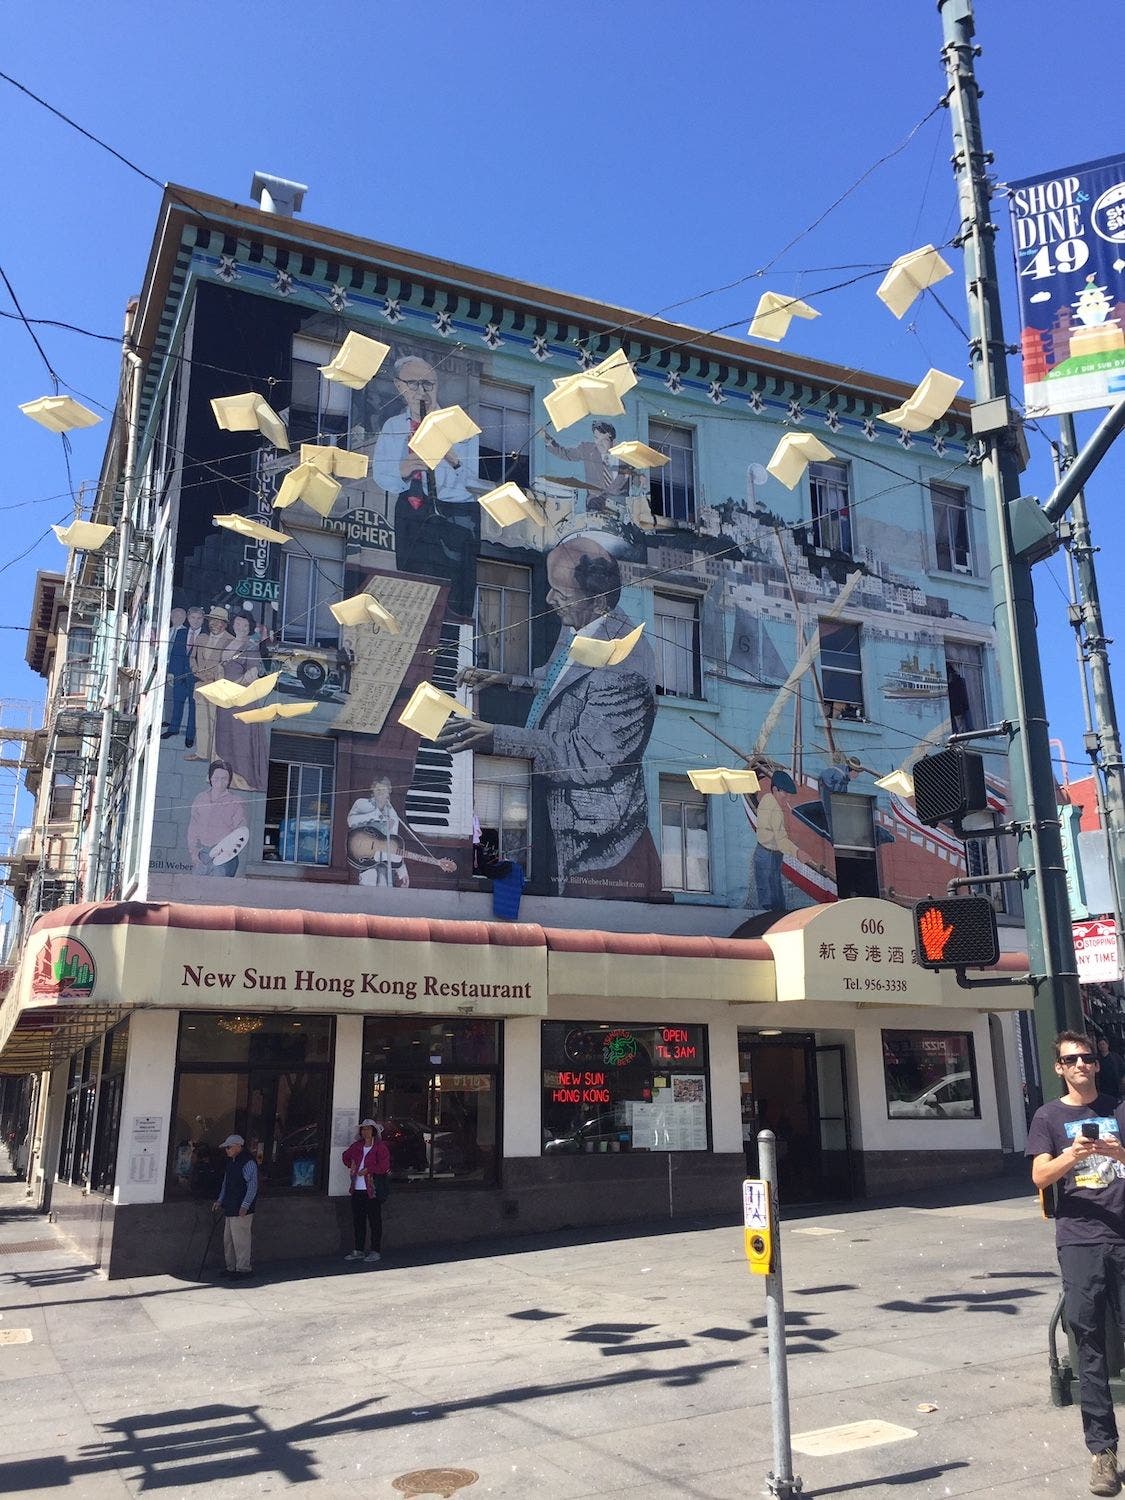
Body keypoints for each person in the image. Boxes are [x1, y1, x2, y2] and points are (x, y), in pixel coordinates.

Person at [440, 536, 660, 896]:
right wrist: (504, 679)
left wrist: (495, 736)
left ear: (598, 599)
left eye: (561, 592)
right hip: (553, 808)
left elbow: (586, 758)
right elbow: (557, 677)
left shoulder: (626, 666)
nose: (548, 600)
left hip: (596, 852)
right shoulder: (583, 621)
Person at [1027, 1030, 1125, 1495]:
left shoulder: (1119, 1109)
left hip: (1124, 1239)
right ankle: (1102, 1453)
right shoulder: (1048, 1116)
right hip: (1080, 1241)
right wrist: (1073, 1153)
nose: (1081, 1065)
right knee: (1088, 1344)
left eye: (1087, 1058)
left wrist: (1116, 1151)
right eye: (1071, 1060)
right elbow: (1039, 1175)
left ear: (1097, 1064)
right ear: (1059, 1068)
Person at [371, 354, 478, 620]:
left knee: (454, 593)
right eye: (414, 384)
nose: (422, 391)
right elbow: (381, 476)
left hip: (455, 514)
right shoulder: (393, 427)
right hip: (411, 511)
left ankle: (452, 644)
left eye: (428, 384)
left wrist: (450, 456)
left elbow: (473, 482)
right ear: (399, 386)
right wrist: (404, 469)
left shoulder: (459, 425)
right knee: (413, 587)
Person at [213, 613, 269, 792]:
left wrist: (233, 687)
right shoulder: (228, 644)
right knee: (225, 737)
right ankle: (227, 776)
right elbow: (220, 667)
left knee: (241, 740)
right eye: (238, 623)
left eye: (245, 625)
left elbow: (252, 674)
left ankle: (244, 778)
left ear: (249, 628)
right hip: (225, 699)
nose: (240, 627)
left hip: (242, 699)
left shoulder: (251, 647)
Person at [186, 760, 250, 876]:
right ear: (210, 778)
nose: (219, 782)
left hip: (225, 857)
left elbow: (240, 832)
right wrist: (194, 855)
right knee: (196, 892)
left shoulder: (236, 802)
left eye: (224, 779)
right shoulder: (200, 799)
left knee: (218, 891)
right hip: (203, 856)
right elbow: (193, 829)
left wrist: (226, 851)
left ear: (229, 780)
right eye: (216, 778)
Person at [341, 1118, 391, 1263]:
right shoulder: (357, 1146)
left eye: (368, 1129)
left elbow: (384, 1166)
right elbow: (345, 1156)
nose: (365, 1132)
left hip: (372, 1189)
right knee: (358, 1221)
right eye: (363, 1129)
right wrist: (351, 1164)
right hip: (357, 1188)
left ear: (374, 1131)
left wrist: (369, 1169)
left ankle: (375, 1250)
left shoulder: (380, 1147)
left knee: (375, 1221)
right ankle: (359, 1249)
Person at [189, 606, 234, 762]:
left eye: (217, 621)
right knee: (201, 721)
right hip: (201, 685)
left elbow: (230, 664)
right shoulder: (201, 638)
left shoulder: (230, 641)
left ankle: (215, 755)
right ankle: (202, 753)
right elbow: (192, 658)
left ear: (225, 624)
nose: (213, 624)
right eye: (211, 620)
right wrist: (196, 671)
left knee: (216, 722)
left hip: (218, 686)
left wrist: (215, 675)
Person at [347, 775, 410, 887]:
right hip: (363, 855)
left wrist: (402, 871)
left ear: (389, 791)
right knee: (369, 880)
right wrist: (374, 815)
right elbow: (351, 821)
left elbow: (393, 844)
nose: (381, 793)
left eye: (384, 790)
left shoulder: (392, 815)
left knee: (384, 885)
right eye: (378, 789)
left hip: (382, 859)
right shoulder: (362, 804)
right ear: (373, 790)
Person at [212, 1132, 259, 1278]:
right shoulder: (231, 1163)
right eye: (226, 1148)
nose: (227, 1150)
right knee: (229, 1240)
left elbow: (252, 1186)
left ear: (238, 1147)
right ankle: (231, 1267)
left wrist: (245, 1205)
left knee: (241, 1240)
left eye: (229, 1147)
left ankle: (243, 1268)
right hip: (230, 1206)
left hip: (241, 1208)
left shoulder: (248, 1162)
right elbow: (226, 1184)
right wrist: (220, 1200)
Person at [753, 768, 798, 911]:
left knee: (767, 889)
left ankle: (768, 917)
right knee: (772, 893)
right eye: (785, 793)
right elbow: (781, 840)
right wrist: (797, 852)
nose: (787, 798)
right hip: (770, 853)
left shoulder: (766, 799)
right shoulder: (776, 810)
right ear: (775, 789)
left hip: (763, 851)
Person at [163, 607, 200, 747]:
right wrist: (171, 672)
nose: (195, 621)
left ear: (202, 620)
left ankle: (190, 736)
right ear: (188, 619)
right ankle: (173, 729)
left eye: (199, 618)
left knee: (193, 707)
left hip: (195, 678)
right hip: (179, 675)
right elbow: (174, 654)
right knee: (177, 703)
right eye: (193, 618)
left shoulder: (204, 636)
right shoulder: (181, 633)